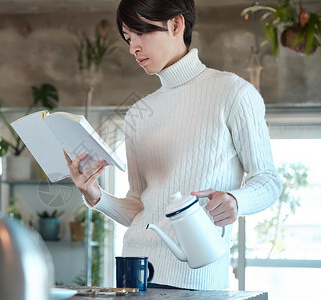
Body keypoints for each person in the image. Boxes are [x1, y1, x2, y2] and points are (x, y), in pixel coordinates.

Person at [64, 0, 282, 290]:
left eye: (140, 33)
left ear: (176, 24)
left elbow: (268, 181)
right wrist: (95, 195)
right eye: (128, 38)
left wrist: (236, 201)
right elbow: (140, 209)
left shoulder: (233, 92)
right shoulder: (137, 115)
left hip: (198, 281)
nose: (133, 48)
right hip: (135, 276)